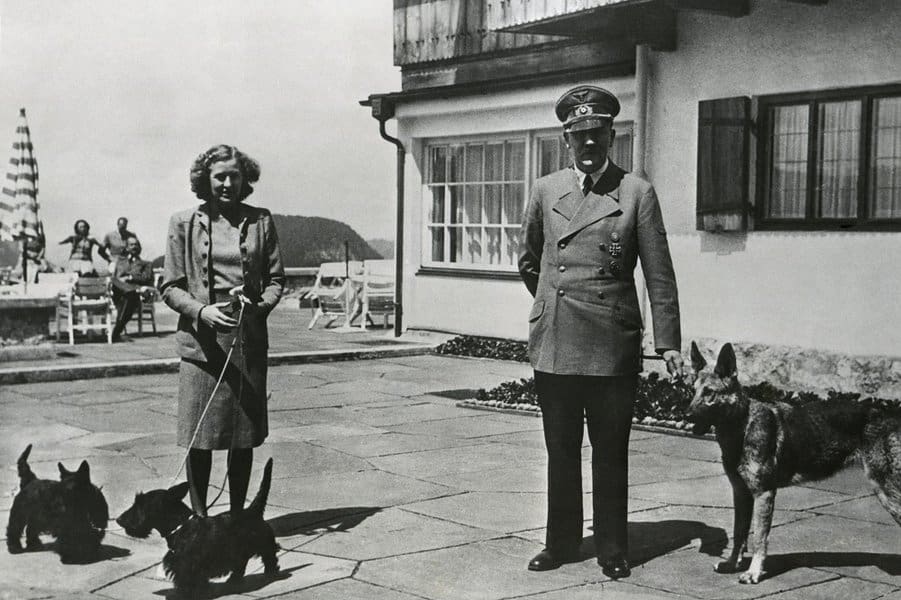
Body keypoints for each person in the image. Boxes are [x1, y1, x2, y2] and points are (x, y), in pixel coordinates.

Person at [518, 86, 684, 578]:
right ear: (566, 139)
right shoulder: (545, 190)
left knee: (611, 452)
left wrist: (668, 342)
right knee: (561, 450)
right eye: (579, 135)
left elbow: (659, 274)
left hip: (611, 344)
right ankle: (561, 543)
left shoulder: (636, 193)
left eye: (597, 133)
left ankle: (613, 546)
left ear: (612, 135)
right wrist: (552, 302)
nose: (588, 143)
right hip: (557, 341)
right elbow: (529, 260)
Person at [160, 144, 284, 516]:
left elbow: (276, 280)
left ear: (245, 179)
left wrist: (257, 307)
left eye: (235, 175)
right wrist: (202, 311)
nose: (228, 183)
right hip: (201, 347)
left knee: (241, 439)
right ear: (205, 180)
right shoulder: (183, 223)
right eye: (220, 176)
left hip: (246, 345)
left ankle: (236, 520)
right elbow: (169, 286)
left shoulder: (261, 221)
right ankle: (199, 521)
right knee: (200, 439)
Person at [110, 234, 154, 342]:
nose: (134, 247)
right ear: (126, 247)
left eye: (136, 245)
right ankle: (116, 333)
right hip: (117, 292)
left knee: (130, 297)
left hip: (132, 293)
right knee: (116, 282)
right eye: (131, 245)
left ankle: (116, 332)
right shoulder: (119, 261)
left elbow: (147, 278)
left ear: (139, 247)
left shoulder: (145, 263)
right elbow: (114, 277)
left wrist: (131, 277)